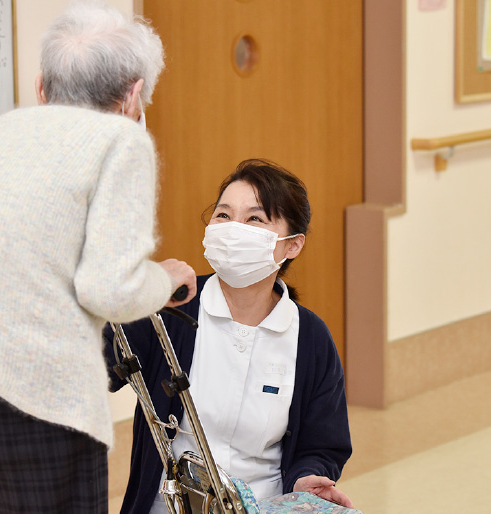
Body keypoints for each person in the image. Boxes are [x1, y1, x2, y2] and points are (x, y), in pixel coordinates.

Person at [0, 0, 196, 514]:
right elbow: (108, 289)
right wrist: (162, 280)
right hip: (23, 393)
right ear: (133, 96)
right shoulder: (120, 142)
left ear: (40, 87)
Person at [105, 159, 353, 513]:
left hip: (262, 506)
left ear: (292, 245)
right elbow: (94, 365)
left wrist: (306, 479)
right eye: (223, 215)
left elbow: (322, 445)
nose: (233, 229)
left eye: (254, 219)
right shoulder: (172, 310)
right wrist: (134, 294)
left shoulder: (309, 337)